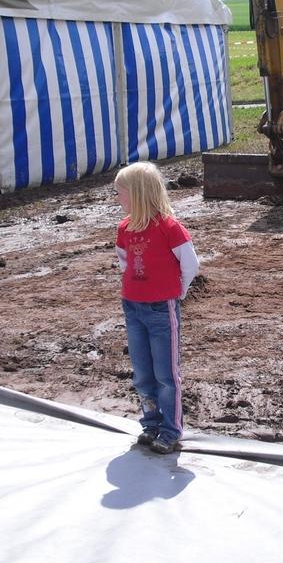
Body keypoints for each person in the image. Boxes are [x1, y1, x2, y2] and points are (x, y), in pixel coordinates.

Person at [114, 162, 199, 455]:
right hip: (133, 308)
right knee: (142, 372)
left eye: (120, 192)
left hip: (162, 309)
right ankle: (150, 423)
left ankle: (171, 429)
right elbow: (125, 263)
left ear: (137, 194)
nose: (117, 198)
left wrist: (177, 294)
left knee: (166, 373)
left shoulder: (169, 227)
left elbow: (190, 265)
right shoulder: (124, 229)